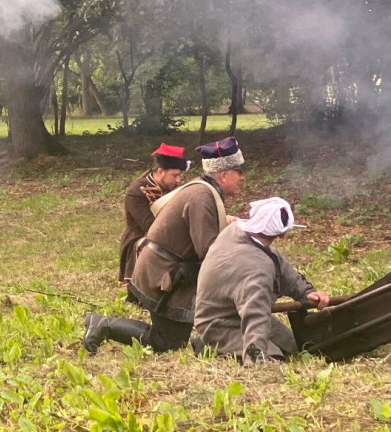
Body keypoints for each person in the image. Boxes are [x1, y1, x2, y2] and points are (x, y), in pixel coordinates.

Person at [83, 137, 246, 354]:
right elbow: (209, 251)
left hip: (171, 271)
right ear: (224, 175)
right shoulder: (201, 196)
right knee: (166, 342)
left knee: (169, 342)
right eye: (238, 171)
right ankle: (104, 325)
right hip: (164, 274)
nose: (242, 177)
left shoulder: (204, 192)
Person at [195, 197, 330, 365]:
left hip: (234, 312)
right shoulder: (256, 267)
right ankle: (206, 344)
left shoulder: (238, 231)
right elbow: (255, 313)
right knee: (273, 358)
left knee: (292, 347)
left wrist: (307, 292)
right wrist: (256, 360)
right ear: (282, 233)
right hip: (218, 323)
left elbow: (279, 265)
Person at [118, 143, 189, 282]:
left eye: (179, 176)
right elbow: (149, 226)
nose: (178, 180)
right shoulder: (136, 191)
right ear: (160, 171)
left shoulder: (173, 189)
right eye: (174, 176)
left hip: (170, 233)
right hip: (140, 239)